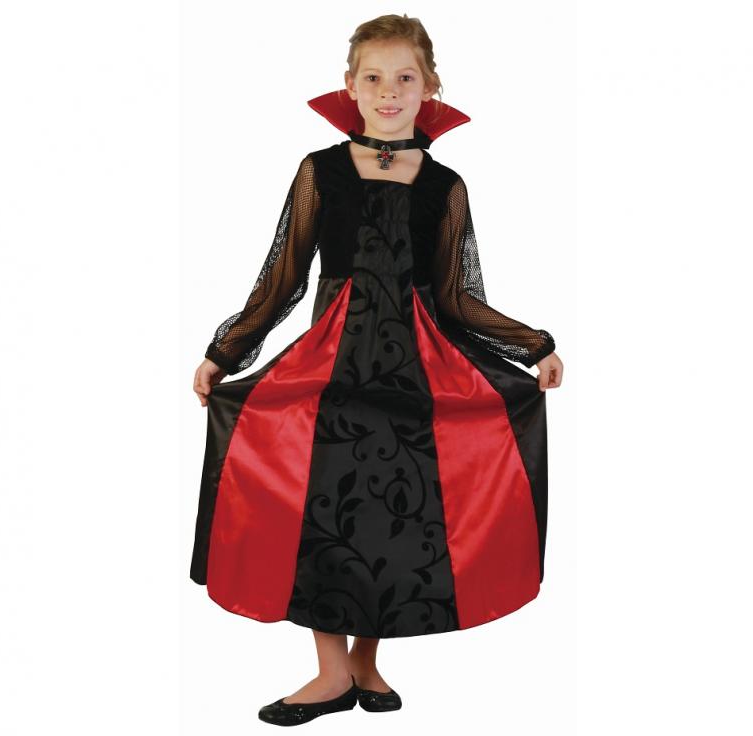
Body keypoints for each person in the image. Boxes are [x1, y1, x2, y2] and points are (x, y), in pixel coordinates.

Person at [190, 13, 564, 726]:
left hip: (417, 374)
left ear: (429, 87)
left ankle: (365, 660)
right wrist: (225, 352)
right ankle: (331, 672)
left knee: (393, 513)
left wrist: (533, 346)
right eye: (374, 78)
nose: (389, 91)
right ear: (351, 86)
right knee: (319, 503)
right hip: (330, 368)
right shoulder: (321, 171)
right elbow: (282, 277)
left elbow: (457, 298)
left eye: (404, 78)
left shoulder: (445, 186)